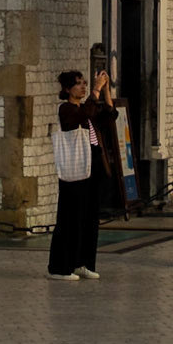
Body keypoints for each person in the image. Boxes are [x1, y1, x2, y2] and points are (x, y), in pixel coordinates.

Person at [48, 67, 113, 280]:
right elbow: (77, 118)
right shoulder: (66, 109)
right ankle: (60, 267)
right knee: (70, 218)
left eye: (85, 83)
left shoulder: (88, 111)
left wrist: (106, 92)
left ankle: (82, 262)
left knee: (89, 217)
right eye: (79, 83)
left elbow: (110, 117)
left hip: (92, 164)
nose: (83, 86)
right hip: (74, 167)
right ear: (67, 89)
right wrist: (95, 91)